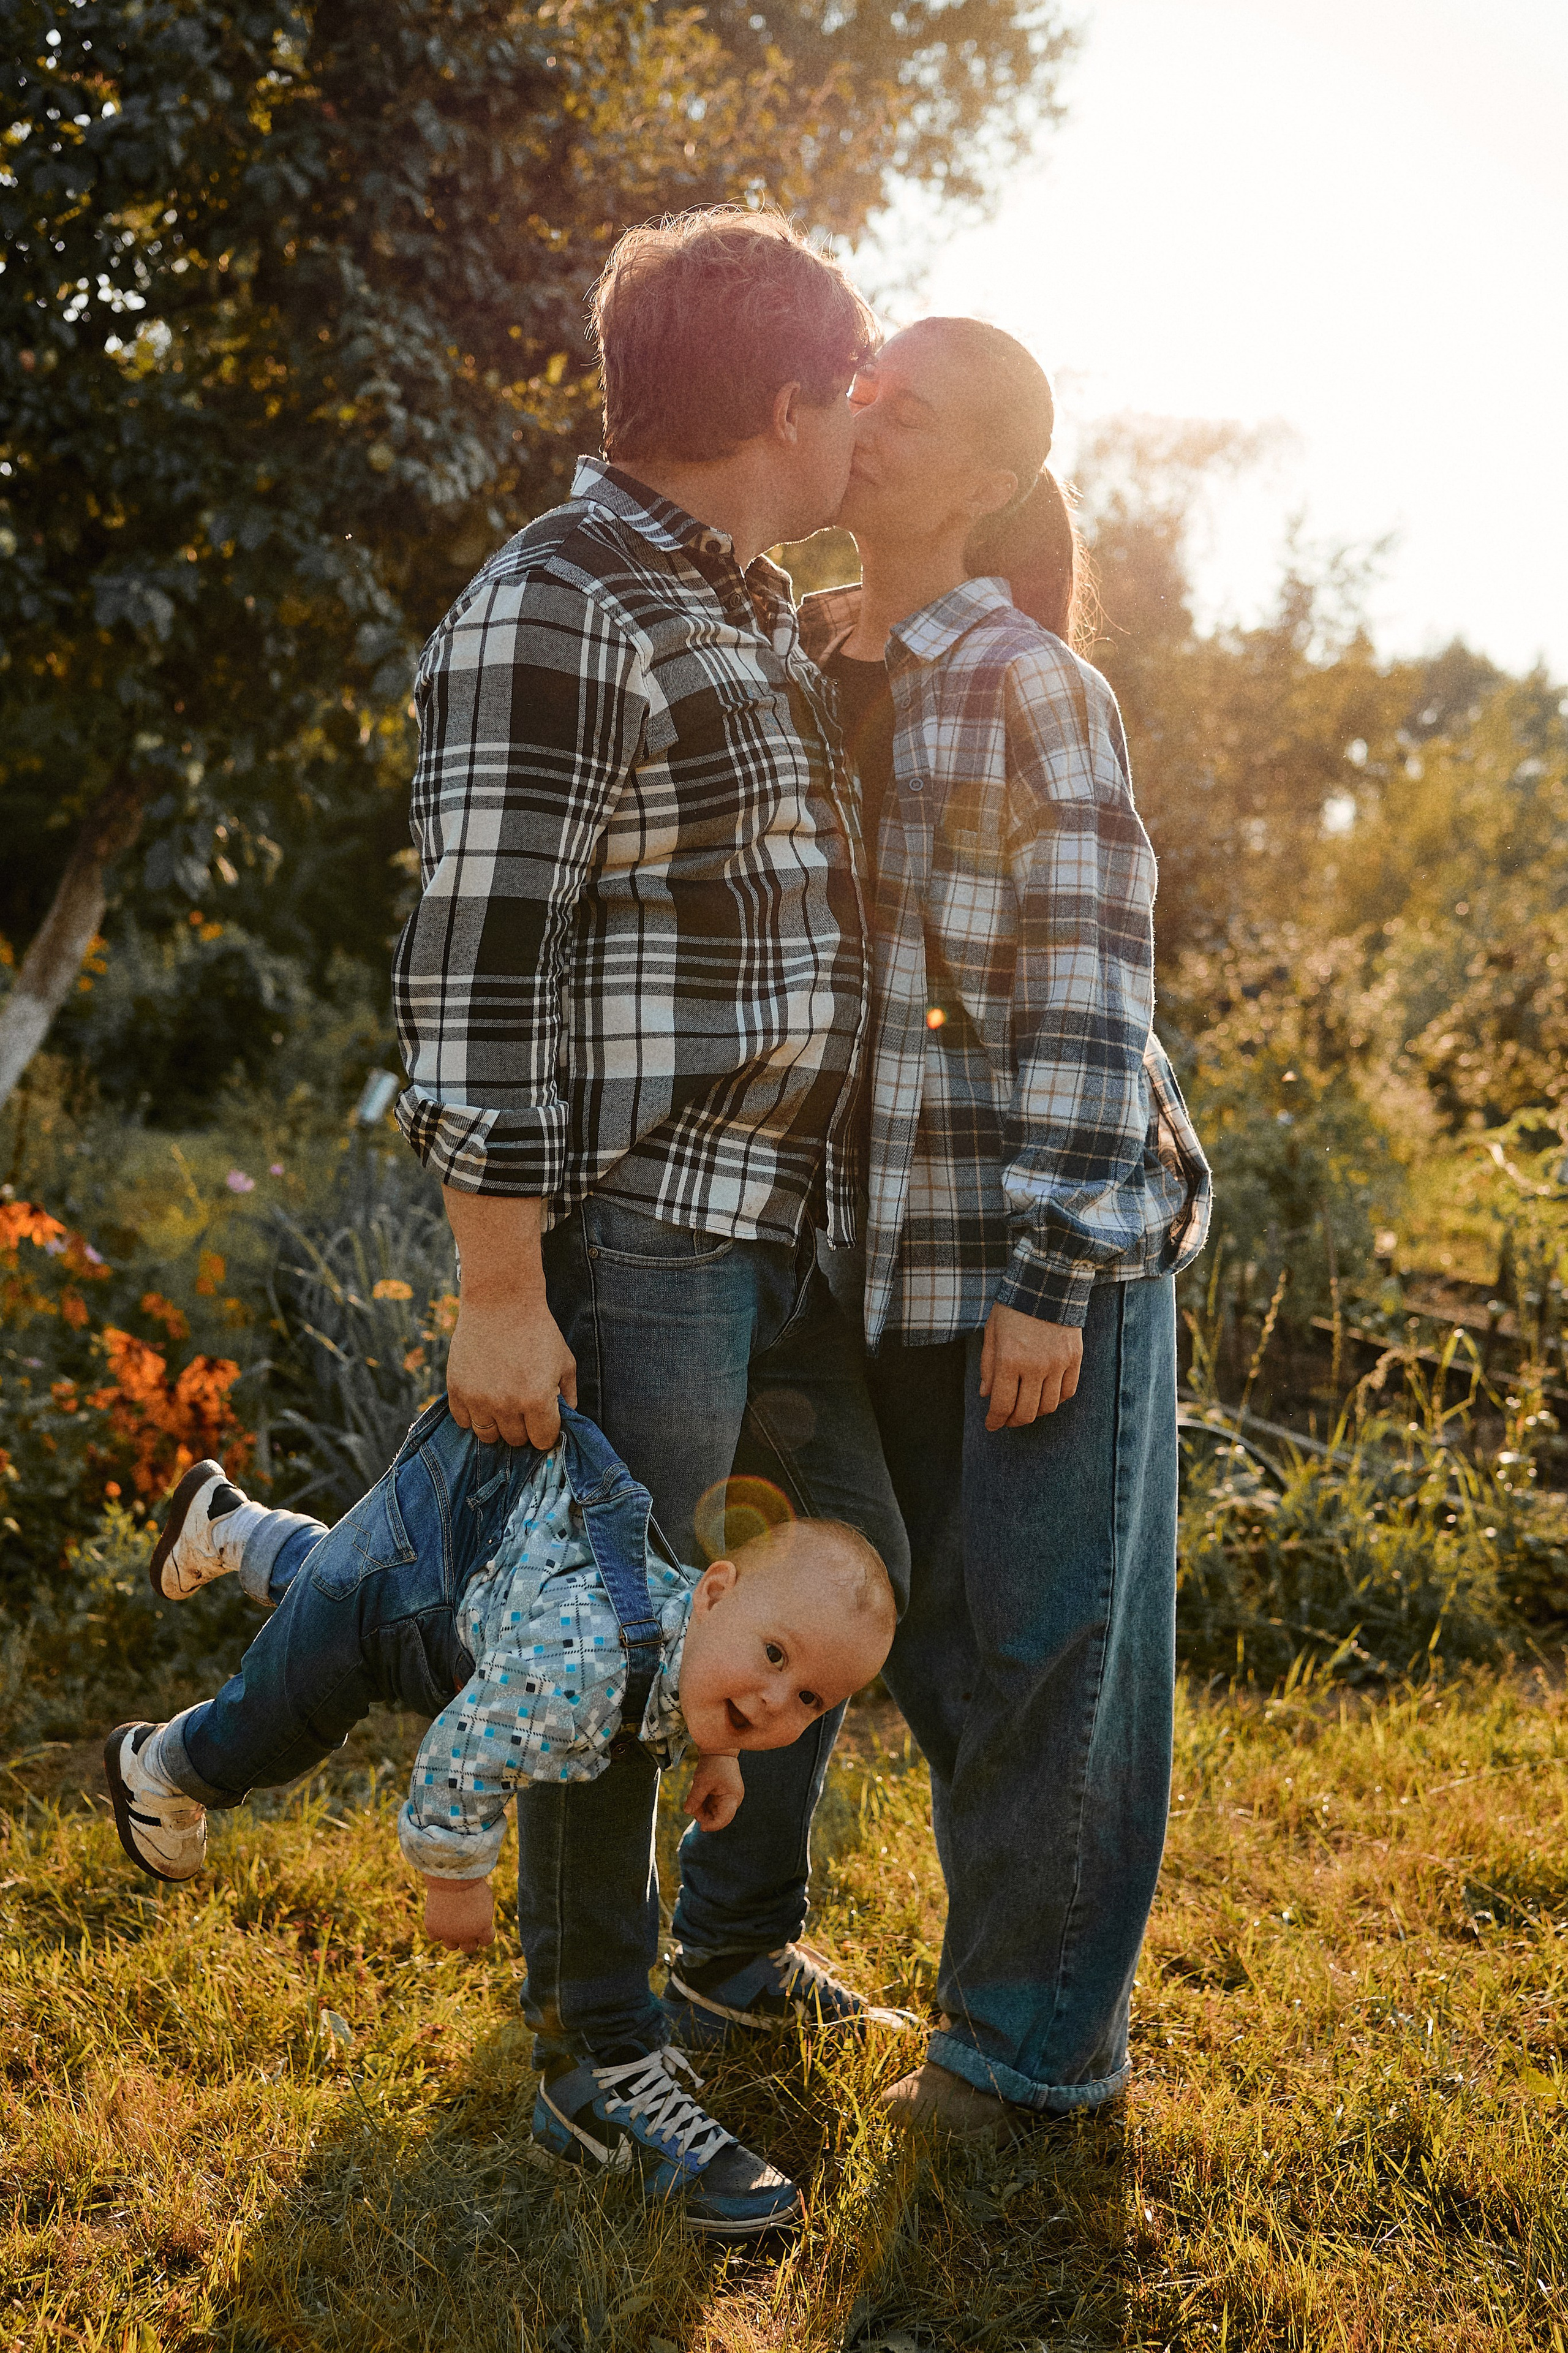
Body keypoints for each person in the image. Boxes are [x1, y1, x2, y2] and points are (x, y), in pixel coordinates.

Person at [389, 210, 913, 2099]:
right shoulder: (563, 601)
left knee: (851, 1571)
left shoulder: (743, 604)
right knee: (619, 1653)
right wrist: (502, 1289)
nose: (867, 432)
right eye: (854, 396)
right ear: (789, 402)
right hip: (641, 1236)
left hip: (780, 1226)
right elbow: (472, 965)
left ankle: (734, 1950)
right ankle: (600, 2049)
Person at [799, 317, 1213, 2140]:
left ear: (985, 478)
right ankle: (1024, 2003)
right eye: (863, 388)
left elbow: (1090, 997)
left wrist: (1053, 1272)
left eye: (916, 414)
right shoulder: (811, 655)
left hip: (1052, 1263)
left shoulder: (1034, 687)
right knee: (957, 1647)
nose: (868, 422)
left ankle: (1037, 2055)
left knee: (1054, 1650)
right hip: (886, 1258)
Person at [107, 1416, 897, 2237]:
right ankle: (157, 1764)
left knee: (338, 1575)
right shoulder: (583, 1670)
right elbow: (465, 1747)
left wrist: (718, 1754)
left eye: (810, 1698)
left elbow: (698, 1686)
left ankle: (228, 1523)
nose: (776, 1701)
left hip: (445, 1573)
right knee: (277, 1720)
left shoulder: (692, 1631)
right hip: (412, 1622)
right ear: (715, 1590)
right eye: (776, 1656)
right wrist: (455, 1876)